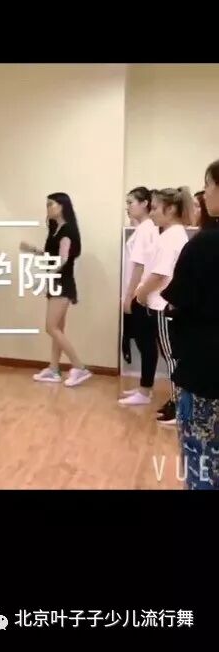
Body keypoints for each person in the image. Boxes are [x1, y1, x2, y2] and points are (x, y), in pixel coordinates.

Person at [161, 160, 219, 488]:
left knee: (203, 463)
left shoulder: (203, 245)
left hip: (206, 372)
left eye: (208, 185)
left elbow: (178, 299)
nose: (204, 194)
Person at [134, 187, 192, 426]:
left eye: (156, 208)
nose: (152, 213)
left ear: (170, 209)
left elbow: (160, 274)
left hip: (164, 305)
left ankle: (179, 406)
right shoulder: (171, 235)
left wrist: (140, 293)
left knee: (172, 358)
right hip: (163, 304)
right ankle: (175, 401)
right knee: (170, 356)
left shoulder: (172, 238)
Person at [20, 192, 92, 387]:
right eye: (47, 204)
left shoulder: (67, 230)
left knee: (50, 327)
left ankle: (80, 367)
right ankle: (53, 369)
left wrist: (45, 277)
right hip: (56, 283)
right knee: (57, 328)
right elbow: (52, 256)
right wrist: (33, 250)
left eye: (51, 204)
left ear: (61, 206)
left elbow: (62, 260)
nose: (48, 208)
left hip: (62, 284)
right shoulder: (55, 229)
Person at [118, 187, 160, 405]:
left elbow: (139, 266)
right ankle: (145, 387)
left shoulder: (146, 230)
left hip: (139, 293)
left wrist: (129, 296)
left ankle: (144, 391)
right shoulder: (145, 228)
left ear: (145, 203)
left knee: (146, 343)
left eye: (131, 202)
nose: (128, 207)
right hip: (139, 292)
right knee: (145, 343)